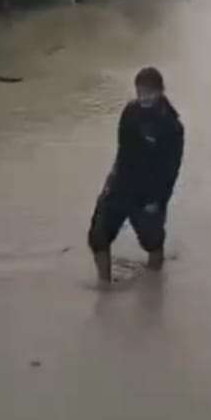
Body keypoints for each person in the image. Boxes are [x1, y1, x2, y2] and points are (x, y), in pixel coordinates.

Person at [88, 66, 184, 284]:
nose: (144, 97)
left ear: (161, 91)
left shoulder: (172, 125)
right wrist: (110, 185)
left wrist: (157, 200)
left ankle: (154, 284)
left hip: (150, 193)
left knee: (152, 242)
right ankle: (103, 284)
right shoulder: (130, 112)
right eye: (140, 92)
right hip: (121, 184)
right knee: (98, 236)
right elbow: (122, 153)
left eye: (149, 92)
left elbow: (171, 171)